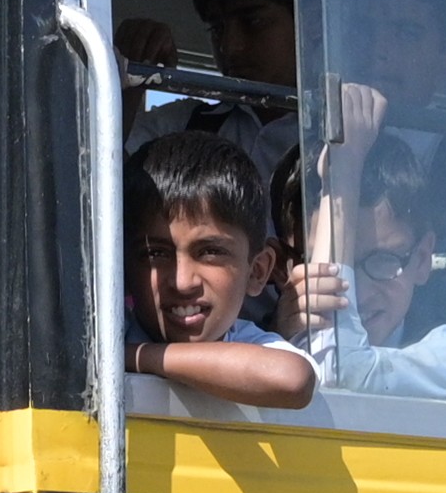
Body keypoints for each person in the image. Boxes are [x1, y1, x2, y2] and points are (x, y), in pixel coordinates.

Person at [296, 105, 446, 400]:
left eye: (383, 260)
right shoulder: (265, 344)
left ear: (423, 258)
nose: (356, 293)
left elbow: (338, 374)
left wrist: (344, 172)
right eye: (321, 258)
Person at [125, 123, 310, 408]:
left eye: (210, 252)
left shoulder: (248, 343)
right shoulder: (113, 329)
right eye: (156, 254)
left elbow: (291, 378)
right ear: (124, 266)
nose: (182, 281)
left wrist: (133, 356)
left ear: (258, 271)